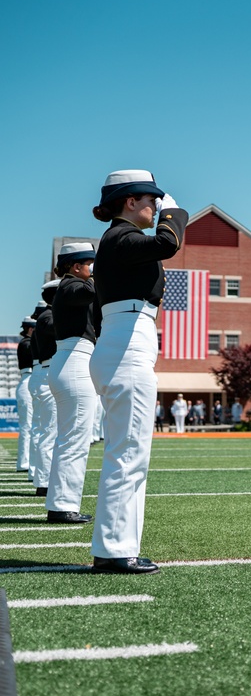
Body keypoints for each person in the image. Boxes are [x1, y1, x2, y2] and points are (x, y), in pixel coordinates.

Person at [89, 168, 188, 573]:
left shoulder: (119, 242)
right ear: (130, 201)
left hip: (124, 340)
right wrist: (175, 212)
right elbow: (169, 243)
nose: (155, 206)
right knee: (128, 454)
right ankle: (113, 550)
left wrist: (164, 211)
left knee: (128, 453)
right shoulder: (122, 237)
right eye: (151, 200)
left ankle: (116, 544)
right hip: (128, 343)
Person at [47, 242, 98, 524]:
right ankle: (63, 506)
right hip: (74, 362)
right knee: (74, 441)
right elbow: (89, 290)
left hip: (71, 360)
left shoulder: (68, 287)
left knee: (70, 439)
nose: (91, 271)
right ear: (76, 267)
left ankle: (61, 503)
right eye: (89, 265)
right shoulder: (70, 286)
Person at [29, 279, 60, 497]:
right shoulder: (49, 317)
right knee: (49, 432)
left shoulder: (46, 317)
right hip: (48, 373)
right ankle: (44, 482)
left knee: (45, 431)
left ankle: (42, 479)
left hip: (45, 374)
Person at [15, 316, 36, 473]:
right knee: (27, 425)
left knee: (31, 425)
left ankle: (27, 461)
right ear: (30, 329)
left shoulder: (26, 343)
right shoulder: (26, 343)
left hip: (30, 380)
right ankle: (23, 463)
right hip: (28, 379)